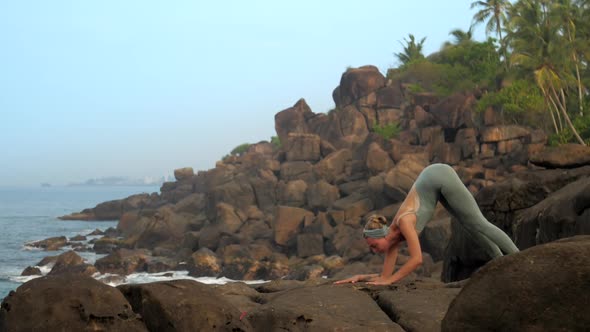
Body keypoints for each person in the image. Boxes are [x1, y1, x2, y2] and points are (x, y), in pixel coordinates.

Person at [334, 163, 519, 286]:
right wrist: (359, 278)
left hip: (438, 175)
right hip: (431, 183)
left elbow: (417, 260)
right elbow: (384, 277)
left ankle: (519, 257)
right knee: (468, 224)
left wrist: (389, 282)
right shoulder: (392, 241)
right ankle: (499, 260)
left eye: (374, 245)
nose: (374, 250)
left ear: (382, 235)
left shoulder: (404, 223)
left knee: (478, 223)